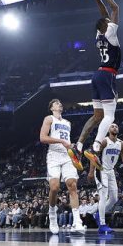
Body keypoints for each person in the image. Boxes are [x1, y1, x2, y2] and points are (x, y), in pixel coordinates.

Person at [75, 0, 120, 171]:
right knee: (109, 116)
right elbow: (115, 8)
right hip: (107, 75)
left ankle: (78, 146)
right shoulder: (111, 33)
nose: (110, 19)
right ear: (107, 25)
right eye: (109, 21)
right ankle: (94, 148)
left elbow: (104, 14)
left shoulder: (99, 34)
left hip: (97, 75)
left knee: (97, 116)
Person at [39, 99, 86, 234]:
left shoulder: (67, 123)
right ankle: (52, 214)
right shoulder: (49, 119)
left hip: (67, 156)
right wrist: (61, 141)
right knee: (54, 187)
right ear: (51, 107)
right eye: (56, 103)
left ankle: (77, 222)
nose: (59, 104)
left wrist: (75, 149)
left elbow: (68, 142)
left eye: (60, 103)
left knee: (72, 185)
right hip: (54, 155)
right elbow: (42, 138)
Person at [88, 123, 123, 234]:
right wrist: (91, 172)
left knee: (114, 198)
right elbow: (94, 155)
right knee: (103, 196)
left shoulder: (121, 144)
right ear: (108, 130)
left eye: (116, 126)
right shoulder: (104, 141)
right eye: (112, 126)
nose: (115, 127)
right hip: (101, 170)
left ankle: (98, 214)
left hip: (111, 171)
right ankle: (102, 224)